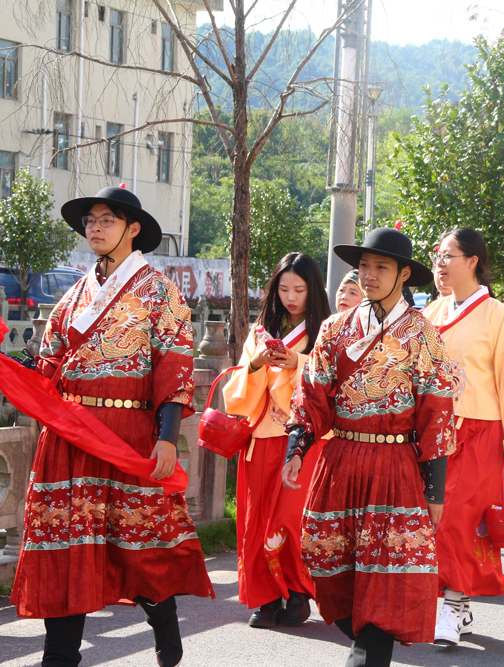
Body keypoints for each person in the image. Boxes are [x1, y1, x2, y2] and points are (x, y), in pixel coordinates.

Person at [10, 185, 214, 667]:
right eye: (90, 221)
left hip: (127, 433)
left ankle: (164, 624)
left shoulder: (159, 291)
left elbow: (175, 365)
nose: (95, 228)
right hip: (70, 432)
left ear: (133, 229)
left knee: (136, 545)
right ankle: (59, 656)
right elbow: (49, 362)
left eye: (106, 220)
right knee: (64, 542)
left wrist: (166, 438)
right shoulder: (75, 293)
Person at [281, 227, 456, 667]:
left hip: (394, 465)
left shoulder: (421, 334)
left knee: (384, 578)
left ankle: (367, 652)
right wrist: (296, 448)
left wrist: (434, 490)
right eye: (364, 266)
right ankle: (364, 637)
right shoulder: (336, 328)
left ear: (403, 275)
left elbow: (437, 412)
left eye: (381, 267)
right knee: (325, 561)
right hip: (340, 461)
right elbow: (312, 394)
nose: (370, 275)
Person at [421, 228, 504, 646]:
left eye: (449, 255)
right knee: (430, 520)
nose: (440, 263)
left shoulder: (497, 315)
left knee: (458, 520)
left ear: (473, 261)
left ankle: (451, 607)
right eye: (437, 255)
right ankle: (455, 602)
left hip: (480, 433)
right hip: (434, 432)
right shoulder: (430, 314)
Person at [223, 253, 331, 628]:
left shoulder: (327, 331)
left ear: (313, 290)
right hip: (263, 437)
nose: (291, 297)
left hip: (306, 442)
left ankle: (299, 593)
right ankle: (265, 599)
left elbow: (335, 385)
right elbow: (236, 394)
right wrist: (254, 365)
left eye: (299, 289)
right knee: (256, 521)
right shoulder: (261, 331)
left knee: (291, 520)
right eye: (284, 288)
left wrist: (297, 364)